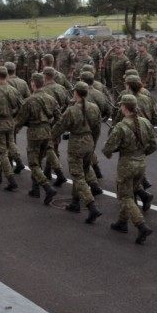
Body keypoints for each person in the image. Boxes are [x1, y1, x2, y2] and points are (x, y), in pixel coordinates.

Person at [101, 95, 157, 244]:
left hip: (127, 164)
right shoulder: (145, 122)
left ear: (124, 107)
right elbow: (154, 145)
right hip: (141, 162)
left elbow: (108, 148)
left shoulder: (121, 126)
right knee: (131, 192)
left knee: (125, 196)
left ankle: (141, 225)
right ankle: (122, 221)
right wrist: (141, 154)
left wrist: (108, 153)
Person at [51, 82, 102, 223]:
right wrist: (93, 143)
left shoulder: (72, 110)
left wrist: (52, 137)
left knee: (78, 176)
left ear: (76, 93)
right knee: (83, 173)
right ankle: (75, 202)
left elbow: (60, 126)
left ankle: (91, 206)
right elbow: (97, 128)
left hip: (77, 143)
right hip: (89, 141)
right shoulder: (94, 108)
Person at [15, 73, 59, 205]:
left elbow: (20, 120)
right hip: (47, 131)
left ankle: (47, 187)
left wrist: (14, 130)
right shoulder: (50, 99)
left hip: (34, 132)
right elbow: (58, 116)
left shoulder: (29, 101)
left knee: (34, 164)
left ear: (33, 84)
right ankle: (35, 189)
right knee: (39, 160)